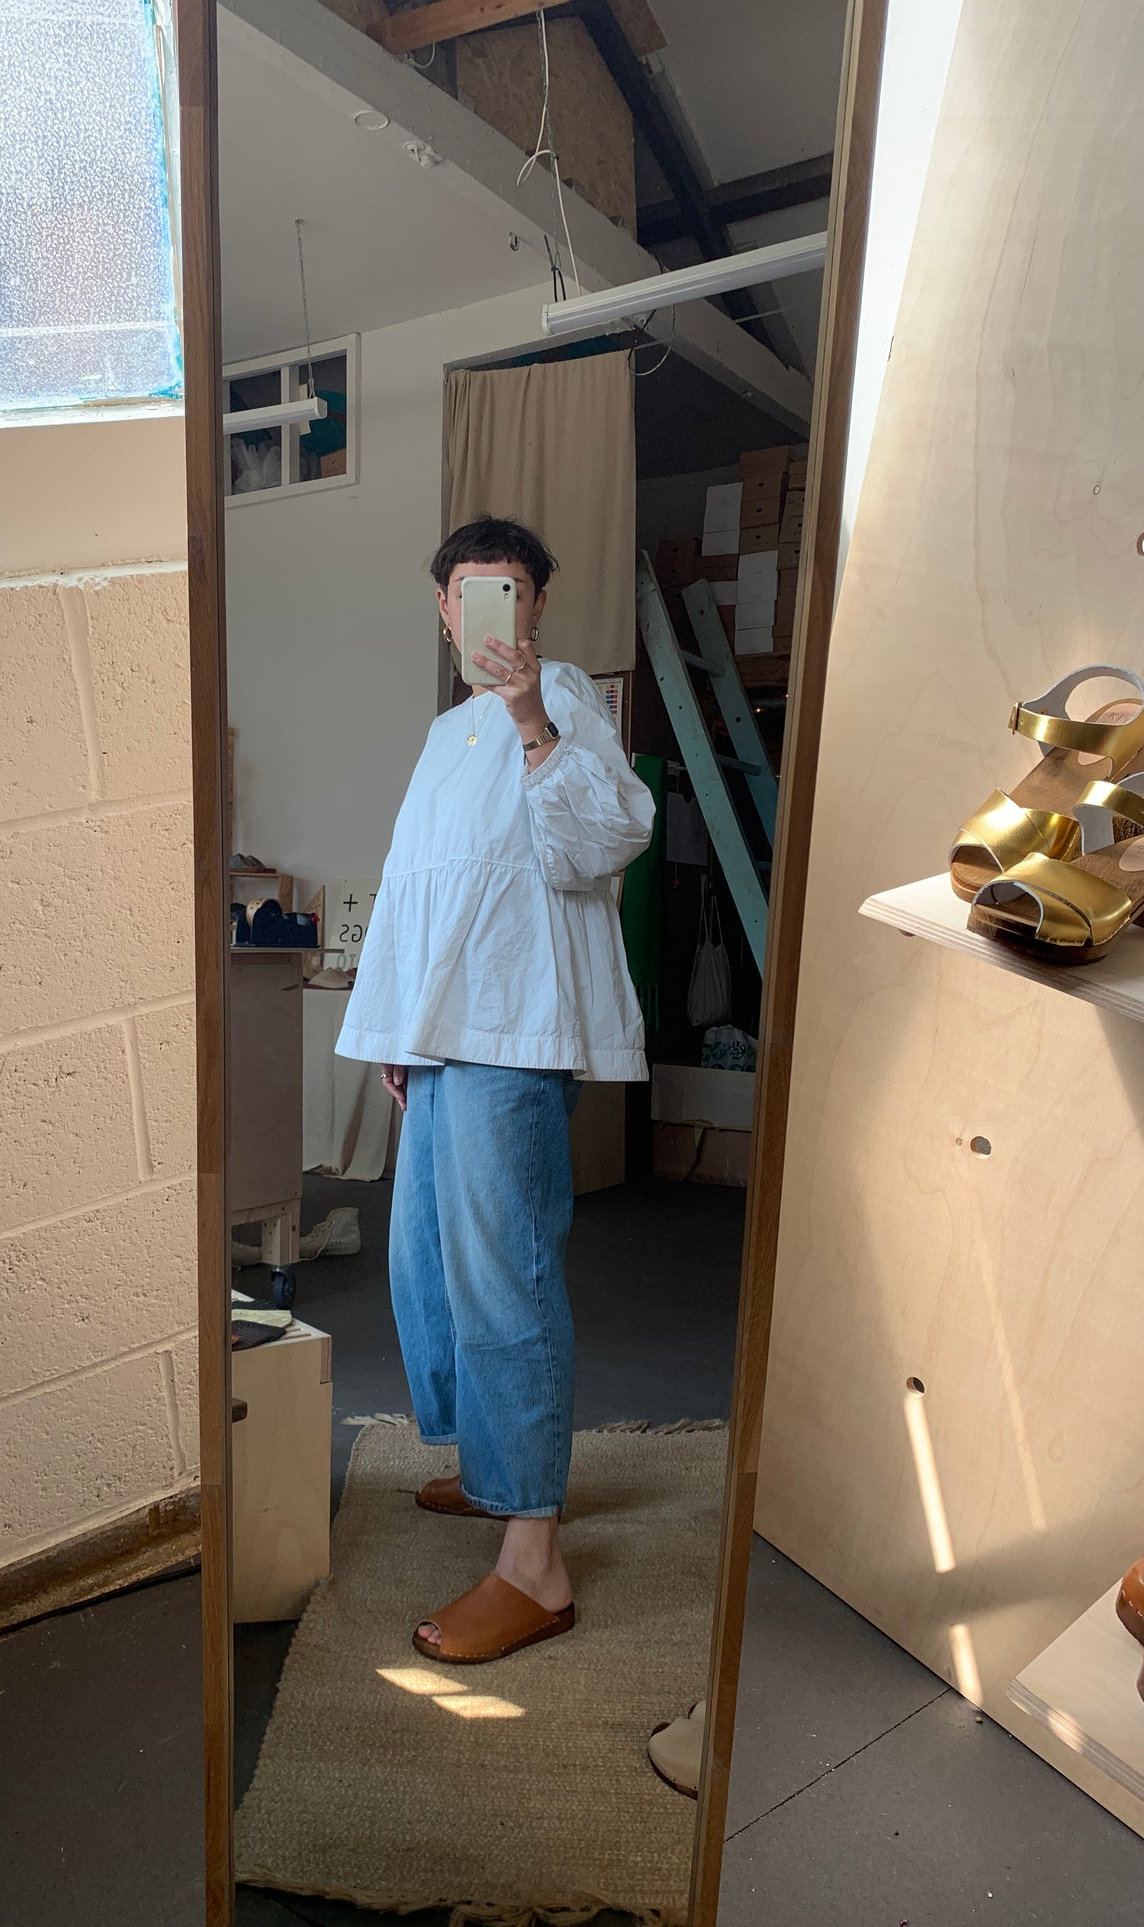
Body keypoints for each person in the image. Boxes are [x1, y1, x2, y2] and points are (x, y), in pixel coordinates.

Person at [336, 515, 655, 1665]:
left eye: (509, 593)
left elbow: (606, 838)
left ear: (535, 610)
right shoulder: (441, 736)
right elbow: (416, 887)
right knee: (426, 1265)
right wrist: (393, 1025)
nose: (488, 616)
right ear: (442, 610)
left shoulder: (559, 698)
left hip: (512, 1031)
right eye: (469, 594)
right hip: (438, 1034)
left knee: (502, 1274)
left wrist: (531, 719)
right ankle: (491, 1470)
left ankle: (535, 1561)